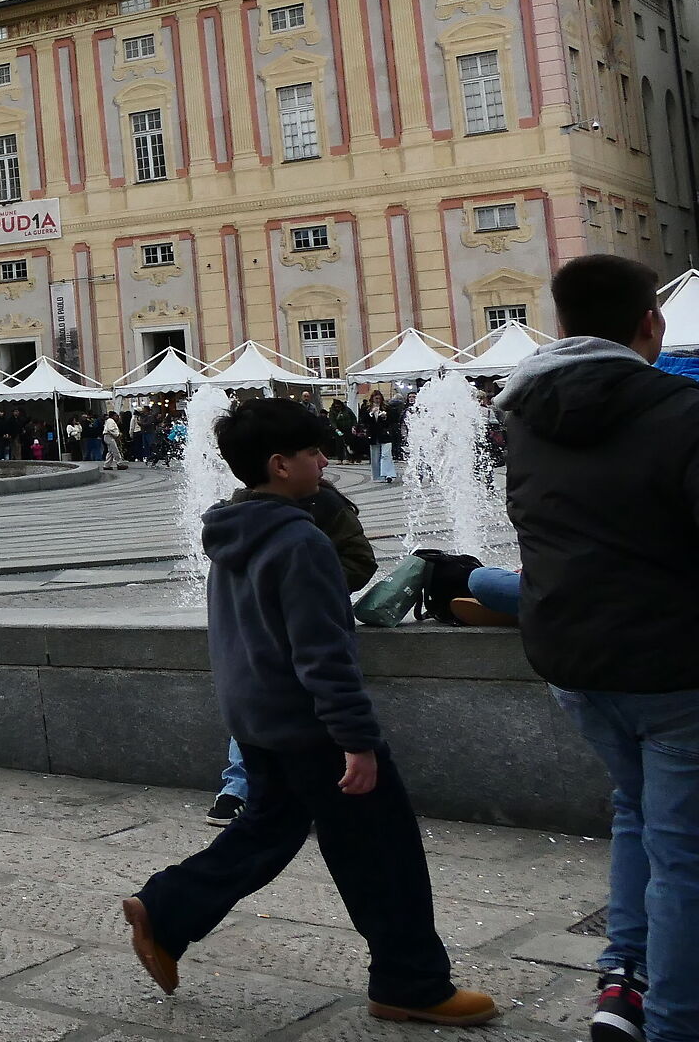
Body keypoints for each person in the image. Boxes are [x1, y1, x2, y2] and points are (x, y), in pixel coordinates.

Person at [121, 398, 494, 1027]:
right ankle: (412, 982)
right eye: (313, 452)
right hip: (312, 728)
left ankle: (168, 908)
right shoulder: (302, 542)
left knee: (269, 828)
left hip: (259, 720)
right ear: (280, 464)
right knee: (384, 850)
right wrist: (357, 740)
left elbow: (241, 637)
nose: (325, 461)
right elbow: (324, 654)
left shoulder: (232, 531)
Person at [497, 254, 699, 1041]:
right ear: (650, 324)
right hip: (672, 667)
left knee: (636, 812)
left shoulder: (526, 416)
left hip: (571, 662)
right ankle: (676, 1023)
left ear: (562, 326)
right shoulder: (682, 411)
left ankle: (624, 982)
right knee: (684, 853)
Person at [208, 475, 378, 825]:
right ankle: (239, 787)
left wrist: (312, 583)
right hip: (265, 624)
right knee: (268, 696)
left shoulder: (327, 505)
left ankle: (252, 792)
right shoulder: (242, 510)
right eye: (312, 450)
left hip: (306, 614)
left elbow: (360, 560)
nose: (322, 461)